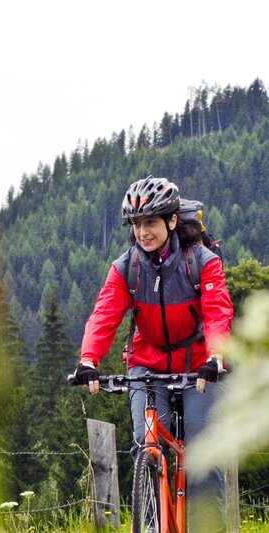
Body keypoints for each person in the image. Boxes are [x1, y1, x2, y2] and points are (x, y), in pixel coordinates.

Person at [72, 175, 234, 530]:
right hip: (147, 365)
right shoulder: (126, 267)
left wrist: (215, 357)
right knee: (145, 445)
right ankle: (151, 522)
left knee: (202, 454)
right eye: (137, 224)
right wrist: (88, 360)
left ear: (172, 222)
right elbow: (105, 313)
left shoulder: (201, 261)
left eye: (151, 223)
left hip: (197, 369)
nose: (143, 232)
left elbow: (217, 310)